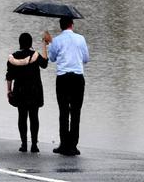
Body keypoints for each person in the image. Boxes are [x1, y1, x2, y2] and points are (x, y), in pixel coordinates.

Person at [43, 17, 89, 156]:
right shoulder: (81, 39)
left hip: (63, 78)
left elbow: (52, 58)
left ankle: (64, 144)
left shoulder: (56, 40)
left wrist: (49, 43)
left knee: (63, 112)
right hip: (77, 78)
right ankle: (73, 146)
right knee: (76, 112)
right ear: (72, 24)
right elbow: (86, 59)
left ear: (60, 26)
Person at [6, 33, 48, 153]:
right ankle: (34, 144)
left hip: (20, 91)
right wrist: (44, 45)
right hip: (34, 91)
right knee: (34, 117)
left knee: (22, 117)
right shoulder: (35, 55)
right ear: (30, 44)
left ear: (20, 43)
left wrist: (9, 91)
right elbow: (44, 64)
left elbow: (9, 76)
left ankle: (24, 144)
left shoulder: (13, 57)